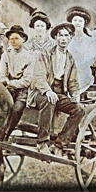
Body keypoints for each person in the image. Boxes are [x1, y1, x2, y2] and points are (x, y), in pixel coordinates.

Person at [27, 22, 84, 157]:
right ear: (56, 38)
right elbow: (38, 77)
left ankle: (60, 144)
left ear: (70, 38)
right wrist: (48, 91)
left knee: (79, 109)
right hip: (40, 92)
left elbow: (73, 81)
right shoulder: (44, 54)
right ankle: (42, 143)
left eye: (66, 36)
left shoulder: (70, 59)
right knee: (49, 100)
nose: (63, 39)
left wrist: (76, 94)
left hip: (59, 94)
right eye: (60, 35)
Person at [0, 25, 35, 140]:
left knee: (17, 108)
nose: (13, 41)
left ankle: (5, 135)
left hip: (22, 90)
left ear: (23, 39)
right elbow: (1, 75)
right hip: (7, 88)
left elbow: (27, 80)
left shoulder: (30, 57)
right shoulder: (6, 55)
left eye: (16, 38)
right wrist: (7, 83)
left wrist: (12, 84)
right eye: (11, 39)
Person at [66, 6, 96, 93]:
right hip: (66, 72)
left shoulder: (90, 41)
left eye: (80, 21)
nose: (77, 23)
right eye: (75, 20)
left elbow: (88, 61)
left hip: (82, 73)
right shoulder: (66, 39)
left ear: (84, 23)